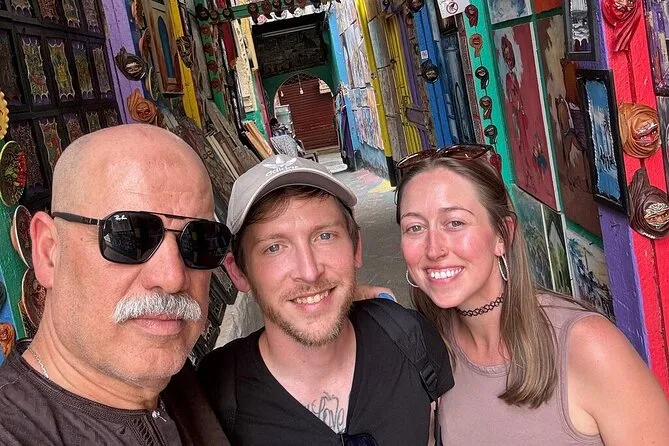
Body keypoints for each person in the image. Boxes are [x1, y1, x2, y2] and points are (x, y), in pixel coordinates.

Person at [394, 144, 669, 444]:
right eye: (415, 227)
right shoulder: (430, 347)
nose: (434, 249)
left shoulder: (587, 346)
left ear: (503, 234)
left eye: (455, 223)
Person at [0, 124, 232, 445]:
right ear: (48, 251)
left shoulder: (194, 388)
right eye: (127, 237)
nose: (173, 278)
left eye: (199, 240)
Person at [198, 154, 453, 445]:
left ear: (356, 247)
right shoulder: (214, 397)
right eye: (275, 247)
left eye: (325, 236)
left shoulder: (411, 339)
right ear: (238, 272)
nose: (309, 272)